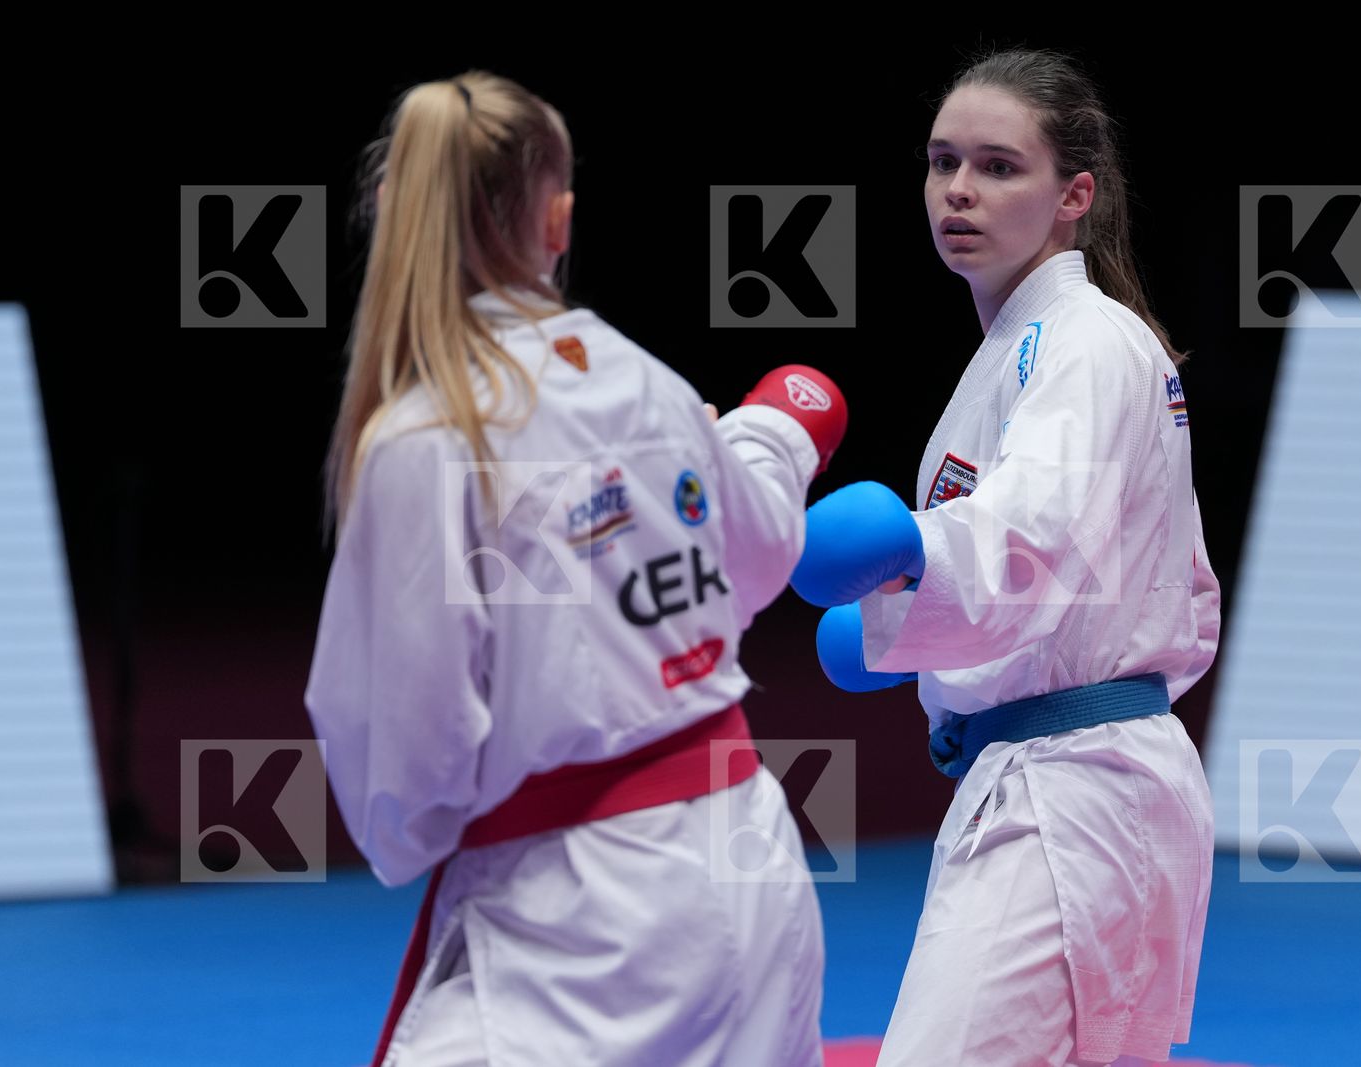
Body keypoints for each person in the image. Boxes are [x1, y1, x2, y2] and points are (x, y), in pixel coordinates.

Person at [304, 70, 845, 1067]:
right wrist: (781, 426)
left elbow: (406, 746)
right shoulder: (652, 384)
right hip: (748, 861)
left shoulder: (425, 437)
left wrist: (421, 832)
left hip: (579, 920)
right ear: (559, 219)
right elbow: (759, 547)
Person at [790, 49, 1220, 1066]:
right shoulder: (1030, 346)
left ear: (1075, 194)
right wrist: (904, 646)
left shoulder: (1086, 341)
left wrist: (903, 552)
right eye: (942, 163)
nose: (959, 190)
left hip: (1076, 792)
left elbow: (1033, 536)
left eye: (996, 165)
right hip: (1060, 781)